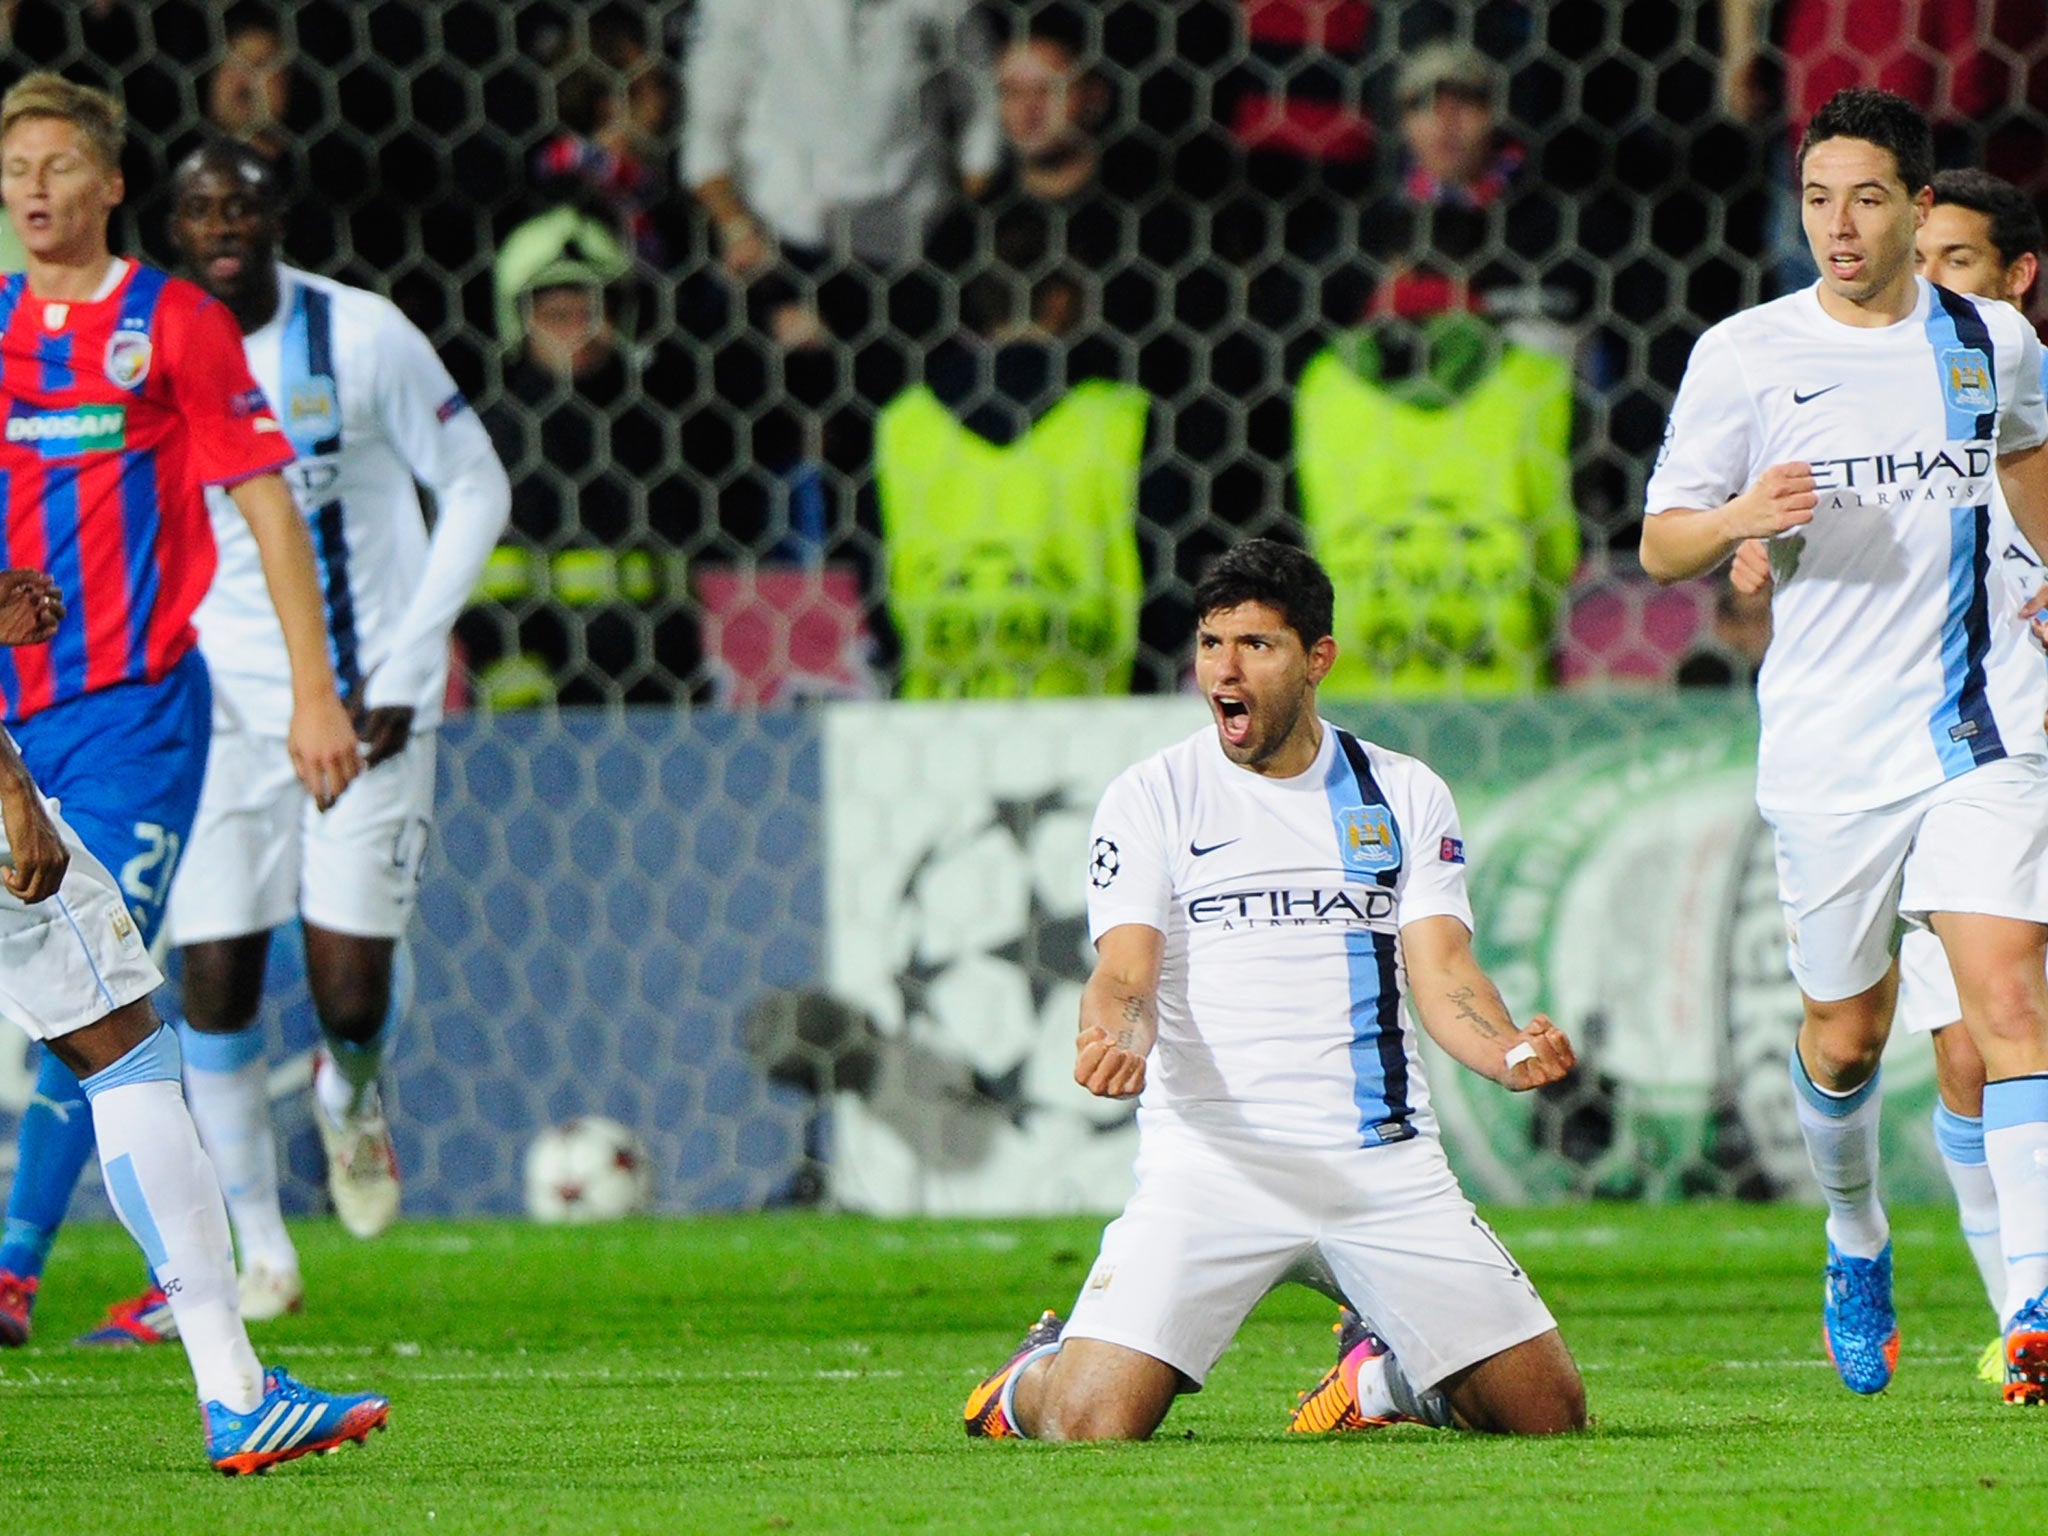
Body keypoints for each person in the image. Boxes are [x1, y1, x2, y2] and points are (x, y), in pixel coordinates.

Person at [962, 539, 1586, 1442]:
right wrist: (1120, 1041)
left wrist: (1506, 1050)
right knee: (1092, 1425)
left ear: (1316, 658)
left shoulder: (1403, 793)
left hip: (1382, 1165)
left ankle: (1377, 1381)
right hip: (1213, 1168)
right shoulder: (1153, 795)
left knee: (1546, 1417)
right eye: (1212, 643)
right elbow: (1126, 973)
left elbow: (1443, 968)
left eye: (1256, 645)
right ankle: (1028, 1380)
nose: (1225, 668)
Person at [0, 72, 385, 1473]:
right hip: (9, 752)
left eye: (56, 163)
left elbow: (266, 504)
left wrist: (314, 690)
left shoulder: (173, 326)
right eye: (15, 166)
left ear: (109, 185)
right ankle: (227, 1383)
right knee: (115, 1035)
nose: (33, 187)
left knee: (108, 1023)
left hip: (122, 724)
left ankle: (76, 1296)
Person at [1641, 88, 2048, 1404]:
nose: (1839, 225)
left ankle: (2037, 1299)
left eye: (1867, 198)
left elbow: (2030, 456)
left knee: (2011, 1001)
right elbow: (1663, 540)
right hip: (1826, 754)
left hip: (1976, 732)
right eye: (1817, 198)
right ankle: (1856, 1234)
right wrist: (1744, 514)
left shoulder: (1992, 339)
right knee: (1848, 1035)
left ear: (1916, 206)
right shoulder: (1749, 354)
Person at [103, 138, 502, 1329]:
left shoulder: (361, 336)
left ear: (280, 219)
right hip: (216, 706)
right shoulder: (145, 351)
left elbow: (476, 485)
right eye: (200, 208)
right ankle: (262, 1251)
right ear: (172, 227)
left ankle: (351, 1096)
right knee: (211, 982)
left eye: (245, 205)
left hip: (370, 704)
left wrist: (409, 657)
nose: (223, 225)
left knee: (345, 992)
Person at [867, 248, 1184, 697]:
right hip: (1094, 716)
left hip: (938, 719)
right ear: (1060, 301)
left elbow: (874, 580)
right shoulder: (1119, 415)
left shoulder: (903, 421)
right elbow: (1165, 580)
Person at [461, 205, 702, 707]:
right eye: (558, 316)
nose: (581, 331)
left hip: (660, 708)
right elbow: (495, 599)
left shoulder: (650, 429)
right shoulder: (496, 439)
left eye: (596, 312)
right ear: (520, 322)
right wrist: (524, 722)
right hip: (549, 717)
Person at [1294, 307, 1578, 696]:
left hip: (1355, 699)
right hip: (1505, 697)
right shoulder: (1536, 379)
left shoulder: (1322, 379)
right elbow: (1561, 551)